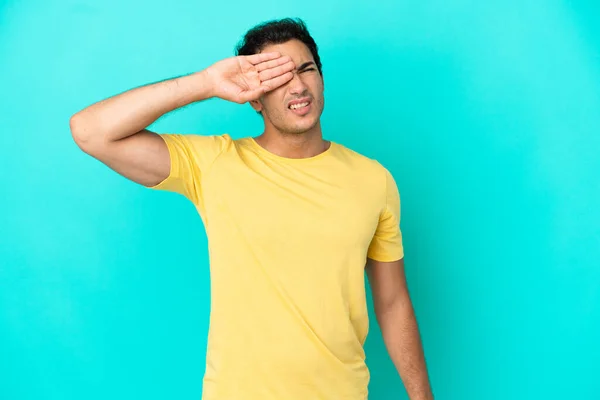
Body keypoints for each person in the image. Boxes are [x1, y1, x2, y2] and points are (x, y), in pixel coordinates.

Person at [70, 17, 433, 400]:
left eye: (306, 69)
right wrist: (205, 83)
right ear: (254, 97)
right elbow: (90, 131)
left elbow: (393, 303)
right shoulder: (215, 164)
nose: (297, 85)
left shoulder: (374, 180)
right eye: (275, 77)